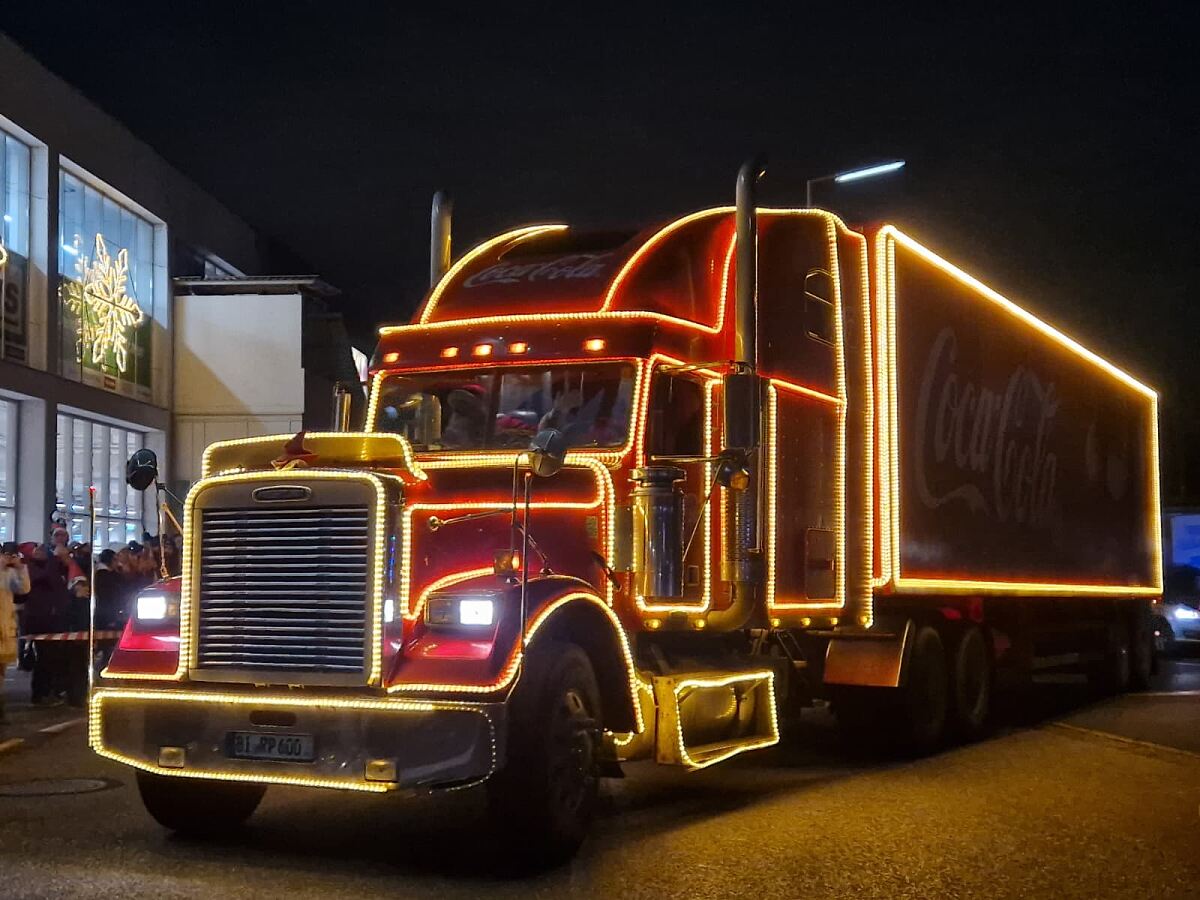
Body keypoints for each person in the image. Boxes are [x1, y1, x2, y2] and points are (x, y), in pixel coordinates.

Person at [22, 544, 69, 706]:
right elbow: (45, 578)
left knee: (51, 659)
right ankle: (39, 694)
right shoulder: (31, 569)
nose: (40, 553)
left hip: (52, 618)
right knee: (43, 659)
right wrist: (53, 562)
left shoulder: (55, 569)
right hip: (38, 619)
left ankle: (48, 692)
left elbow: (59, 587)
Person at [0, 542, 31, 723]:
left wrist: (20, 568)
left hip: (5, 628)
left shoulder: (9, 573)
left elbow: (24, 589)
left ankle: (1, 709)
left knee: (1, 671)